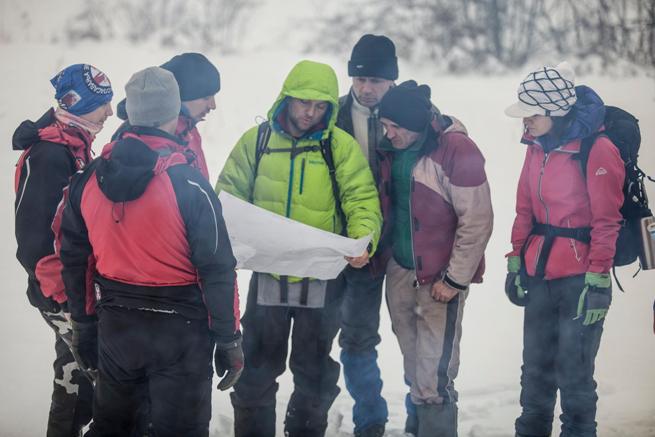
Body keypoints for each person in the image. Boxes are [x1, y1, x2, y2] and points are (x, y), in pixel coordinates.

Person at [59, 66, 242, 437]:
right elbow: (217, 268)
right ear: (175, 112)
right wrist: (229, 338)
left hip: (117, 329)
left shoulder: (88, 179)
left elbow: (75, 260)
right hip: (181, 332)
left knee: (114, 428)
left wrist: (83, 326)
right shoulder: (189, 183)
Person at [216, 59, 382, 437]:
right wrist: (226, 241)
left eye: (320, 106)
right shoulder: (257, 141)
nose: (310, 112)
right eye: (303, 102)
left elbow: (361, 199)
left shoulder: (339, 146)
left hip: (322, 280)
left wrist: (363, 239)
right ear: (286, 98)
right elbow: (228, 194)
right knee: (256, 369)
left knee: (314, 373)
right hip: (269, 276)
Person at [504, 62, 624, 437]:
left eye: (532, 114)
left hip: (579, 279)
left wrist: (598, 278)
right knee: (535, 373)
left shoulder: (597, 150)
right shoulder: (535, 147)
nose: (525, 121)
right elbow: (525, 208)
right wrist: (515, 259)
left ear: (555, 112)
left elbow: (607, 220)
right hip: (539, 273)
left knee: (575, 375)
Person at [377, 81, 493, 437]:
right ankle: (417, 429)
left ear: (416, 125)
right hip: (401, 269)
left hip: (439, 277)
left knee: (434, 375)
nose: (388, 133)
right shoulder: (392, 147)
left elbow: (477, 219)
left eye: (395, 127)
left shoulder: (457, 149)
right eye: (385, 125)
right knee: (414, 367)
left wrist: (455, 279)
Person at [12, 63, 113, 437]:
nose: (110, 111)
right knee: (99, 379)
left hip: (74, 289)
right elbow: (35, 241)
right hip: (62, 293)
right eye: (102, 103)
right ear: (78, 103)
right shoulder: (52, 155)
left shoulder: (73, 145)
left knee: (76, 381)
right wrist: (66, 299)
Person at [334, 34, 397, 437]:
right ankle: (370, 418)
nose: (367, 88)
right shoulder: (332, 114)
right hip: (347, 244)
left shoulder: (414, 113)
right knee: (355, 337)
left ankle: (424, 413)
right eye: (359, 79)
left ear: (392, 80)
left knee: (417, 336)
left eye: (375, 80)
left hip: (401, 241)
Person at [113, 52, 220, 180]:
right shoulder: (145, 138)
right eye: (206, 97)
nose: (213, 105)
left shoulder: (190, 132)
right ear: (182, 95)